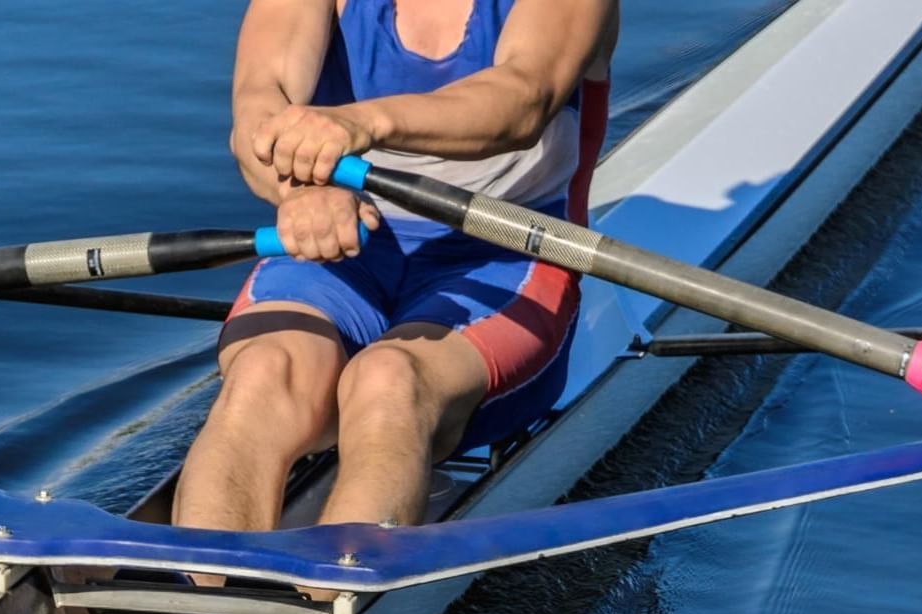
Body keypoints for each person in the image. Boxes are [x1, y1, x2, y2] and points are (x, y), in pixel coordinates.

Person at [173, 0, 618, 544]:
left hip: (505, 254)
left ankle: (336, 604)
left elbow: (522, 102)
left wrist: (358, 122)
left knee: (389, 381)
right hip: (345, 245)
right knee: (263, 372)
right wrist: (304, 191)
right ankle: (200, 607)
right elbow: (258, 110)